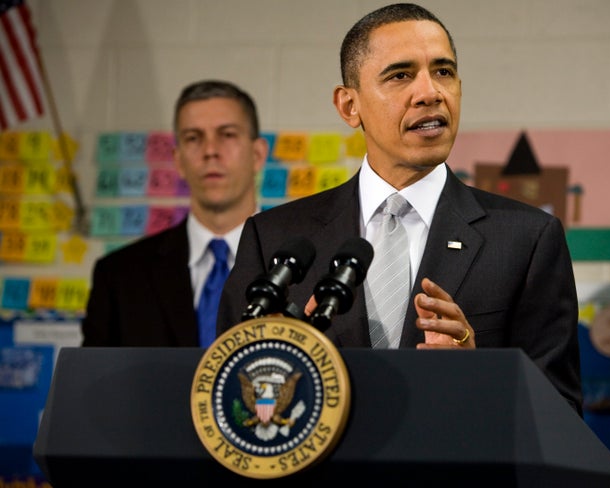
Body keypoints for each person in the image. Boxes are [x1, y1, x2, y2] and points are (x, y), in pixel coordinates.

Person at [216, 3, 582, 415]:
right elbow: (230, 396)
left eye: (444, 71)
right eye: (401, 75)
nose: (430, 92)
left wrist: (481, 376)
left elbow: (562, 414)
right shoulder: (275, 239)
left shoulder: (527, 239)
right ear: (349, 106)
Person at [82, 80, 268, 347]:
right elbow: (93, 384)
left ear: (258, 154)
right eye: (194, 138)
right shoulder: (119, 276)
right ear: (178, 160)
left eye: (227, 134)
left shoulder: (307, 268)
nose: (210, 151)